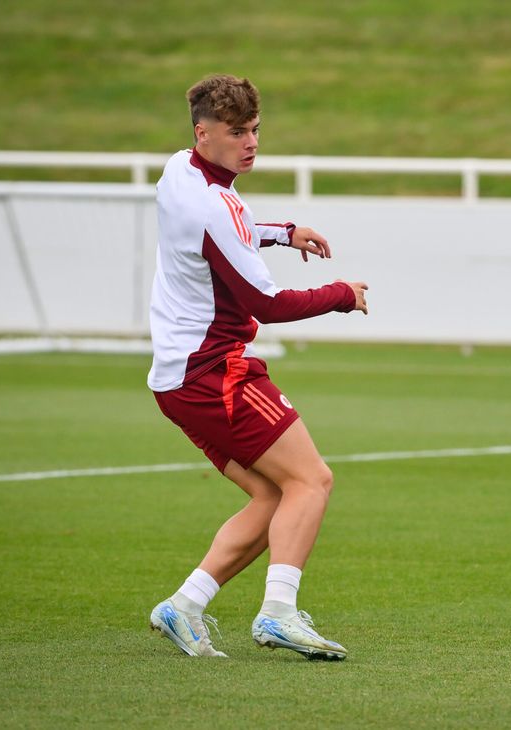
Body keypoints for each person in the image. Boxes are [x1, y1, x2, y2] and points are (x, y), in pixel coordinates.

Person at [146, 74, 368, 661]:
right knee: (312, 480)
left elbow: (232, 231)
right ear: (204, 133)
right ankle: (278, 614)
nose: (251, 143)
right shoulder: (211, 206)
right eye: (237, 132)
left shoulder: (179, 170)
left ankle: (183, 607)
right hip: (214, 374)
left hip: (180, 378)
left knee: (274, 495)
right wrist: (340, 294)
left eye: (255, 129)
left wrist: (283, 232)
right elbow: (265, 304)